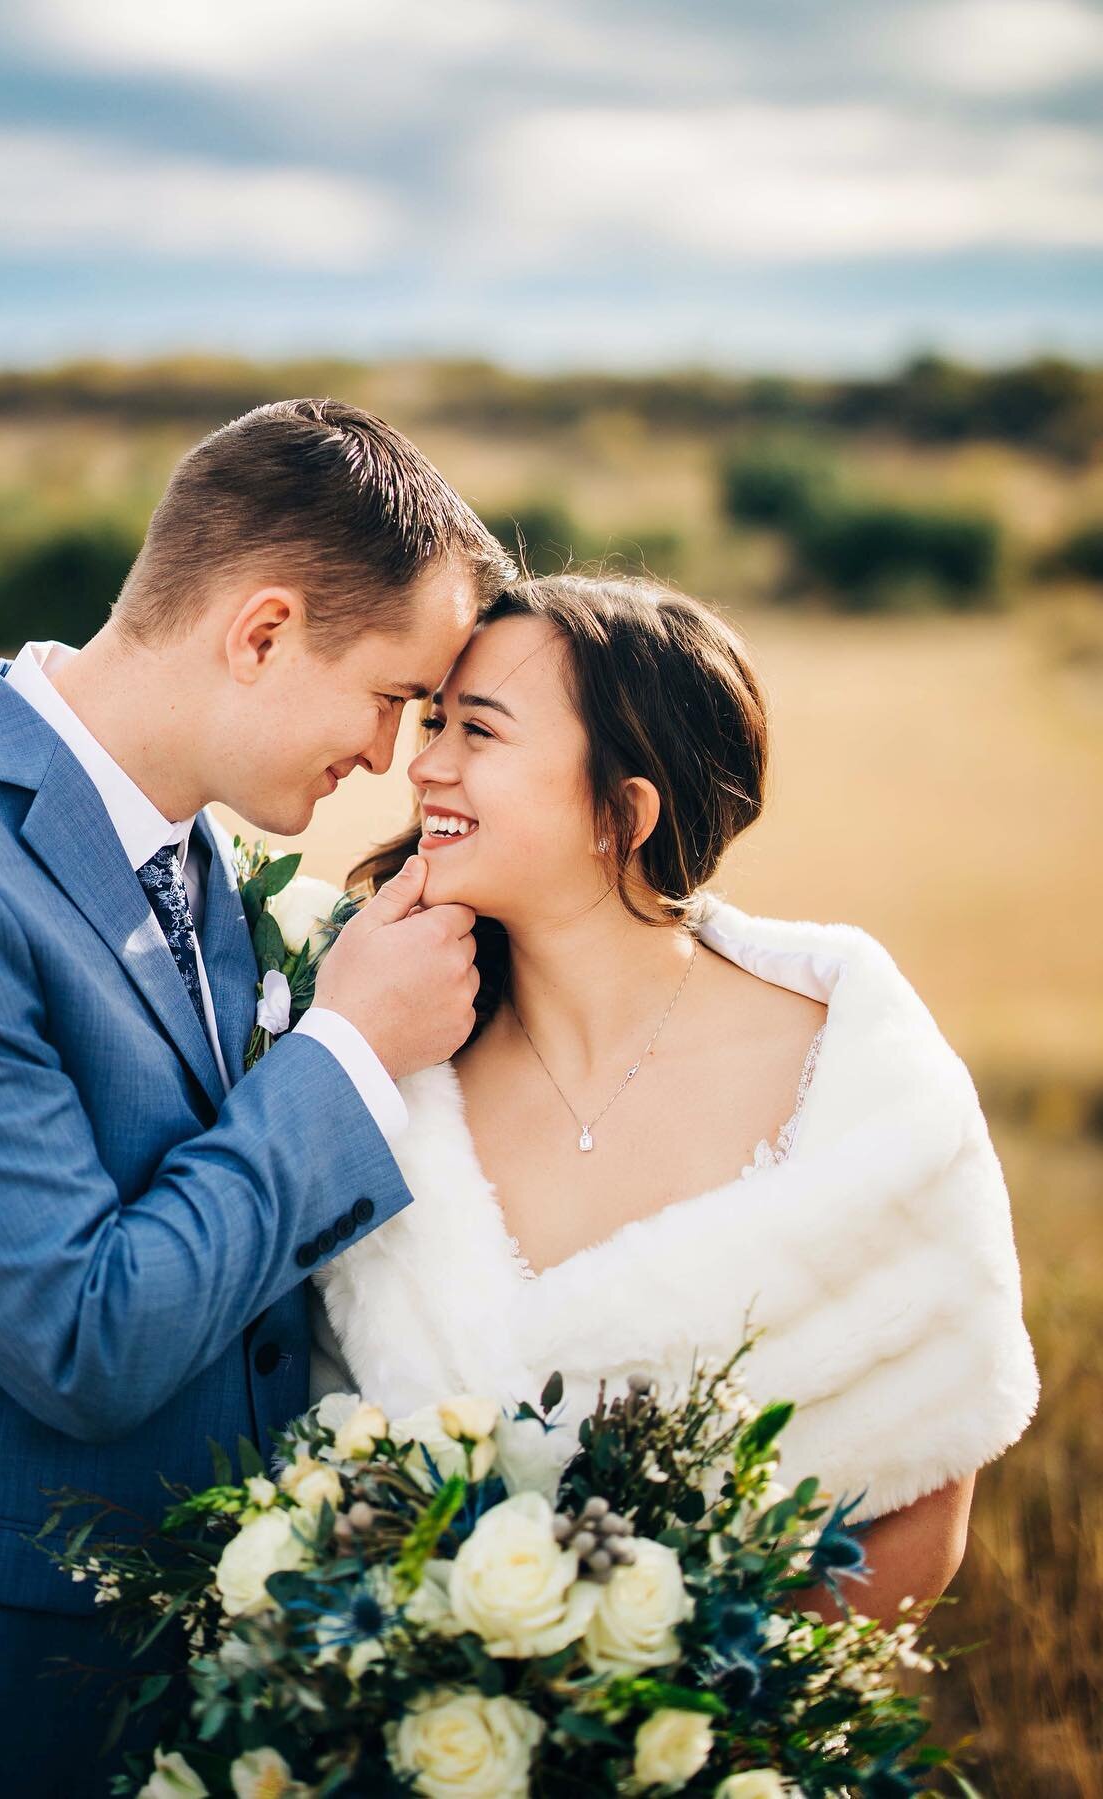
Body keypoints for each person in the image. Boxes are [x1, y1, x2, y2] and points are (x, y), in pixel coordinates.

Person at [0, 400, 509, 1798]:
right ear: (262, 630)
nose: (392, 756)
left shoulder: (198, 868)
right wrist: (351, 1052)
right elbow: (82, 1331)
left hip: (128, 1694)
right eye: (391, 696)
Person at [314, 573, 1039, 1624]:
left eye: (477, 730)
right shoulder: (395, 1071)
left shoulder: (857, 1081)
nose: (423, 763)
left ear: (625, 808)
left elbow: (921, 1492)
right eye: (433, 722)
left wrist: (664, 1716)